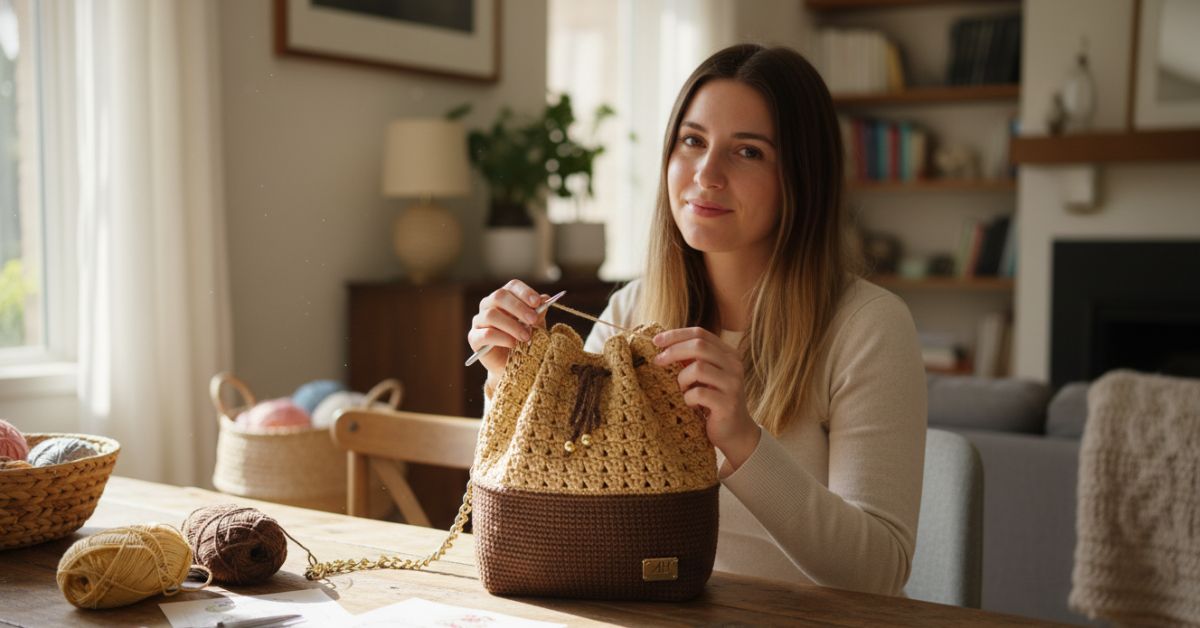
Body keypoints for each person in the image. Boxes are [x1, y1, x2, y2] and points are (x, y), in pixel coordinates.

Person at [465, 43, 927, 596]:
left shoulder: (869, 328)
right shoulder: (630, 311)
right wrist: (508, 378)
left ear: (803, 177)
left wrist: (743, 439)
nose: (706, 174)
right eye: (693, 141)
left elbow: (878, 570)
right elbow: (564, 492)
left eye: (749, 152)